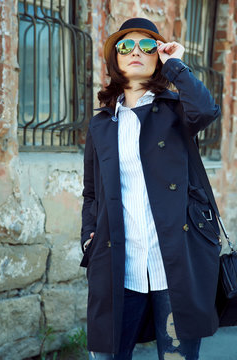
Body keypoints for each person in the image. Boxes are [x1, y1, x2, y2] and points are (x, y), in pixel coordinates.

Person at [80, 17, 222, 360]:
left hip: (173, 258)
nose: (136, 53)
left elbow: (206, 109)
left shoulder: (176, 111)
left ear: (157, 56)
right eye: (125, 46)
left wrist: (176, 64)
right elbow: (91, 192)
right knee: (109, 354)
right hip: (119, 261)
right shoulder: (102, 124)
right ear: (115, 57)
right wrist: (88, 234)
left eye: (147, 46)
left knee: (177, 356)